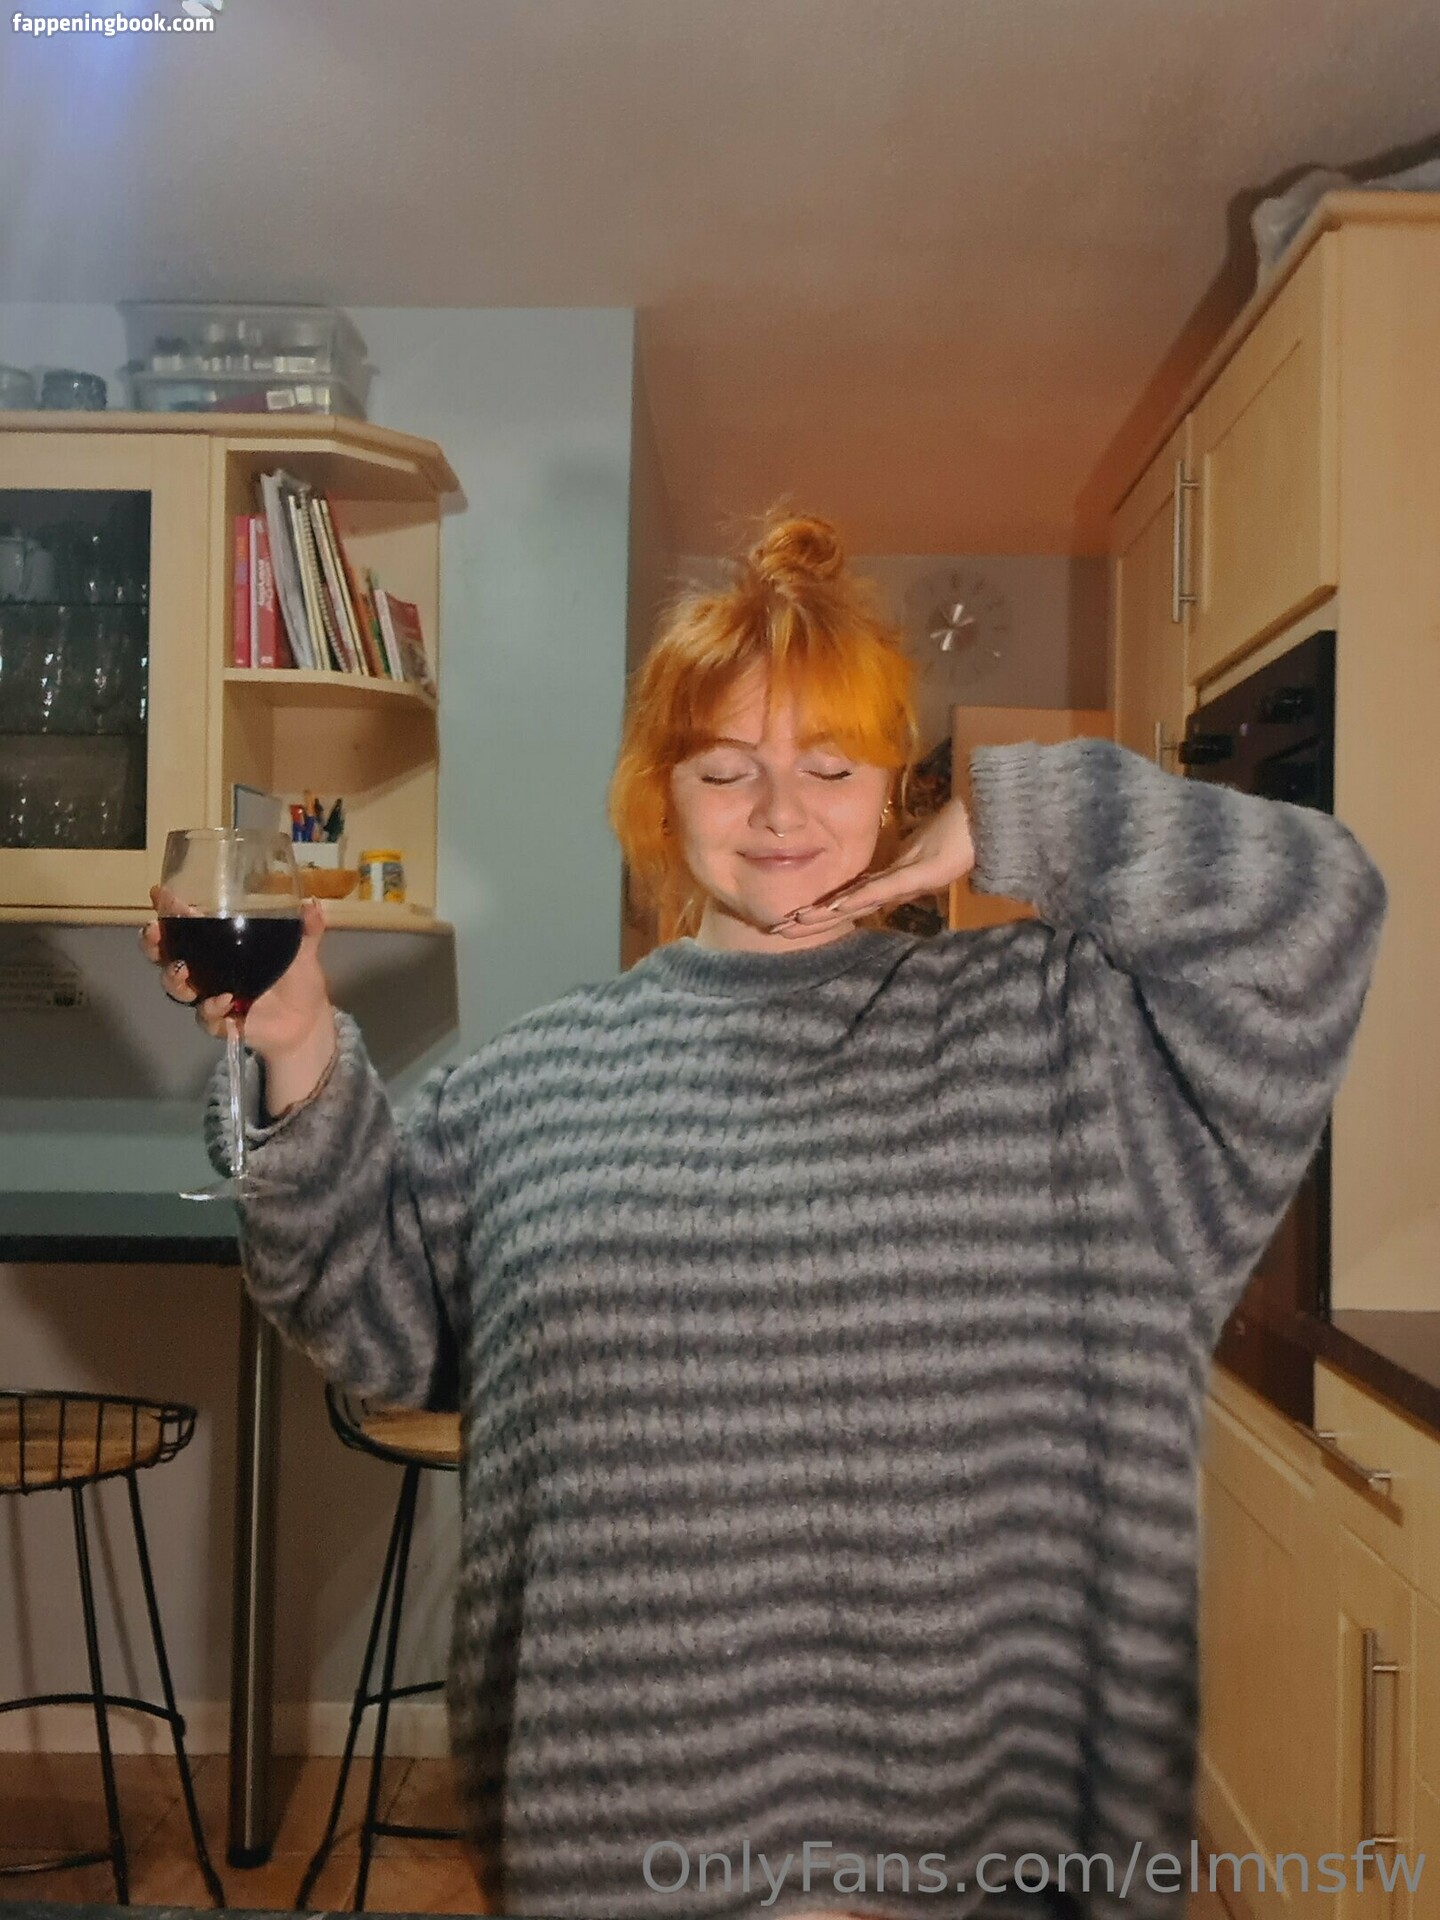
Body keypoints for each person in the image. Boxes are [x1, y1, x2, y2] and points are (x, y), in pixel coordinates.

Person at [143, 512, 1385, 1920]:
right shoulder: (530, 1086)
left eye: (832, 766)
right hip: (628, 1839)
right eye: (727, 768)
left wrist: (1030, 819)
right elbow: (374, 1324)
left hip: (988, 1842)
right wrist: (297, 1044)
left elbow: (1317, 916)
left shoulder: (1059, 1040)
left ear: (897, 791)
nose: (783, 814)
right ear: (661, 797)